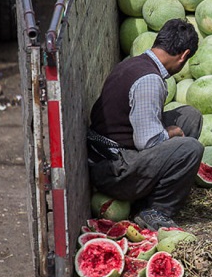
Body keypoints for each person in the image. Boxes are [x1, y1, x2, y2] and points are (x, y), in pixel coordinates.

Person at [87, 18, 204, 231]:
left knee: (190, 116)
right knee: (191, 148)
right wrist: (171, 133)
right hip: (114, 170)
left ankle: (162, 187)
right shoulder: (149, 80)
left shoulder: (134, 63)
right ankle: (155, 211)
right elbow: (148, 141)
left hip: (111, 153)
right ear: (184, 55)